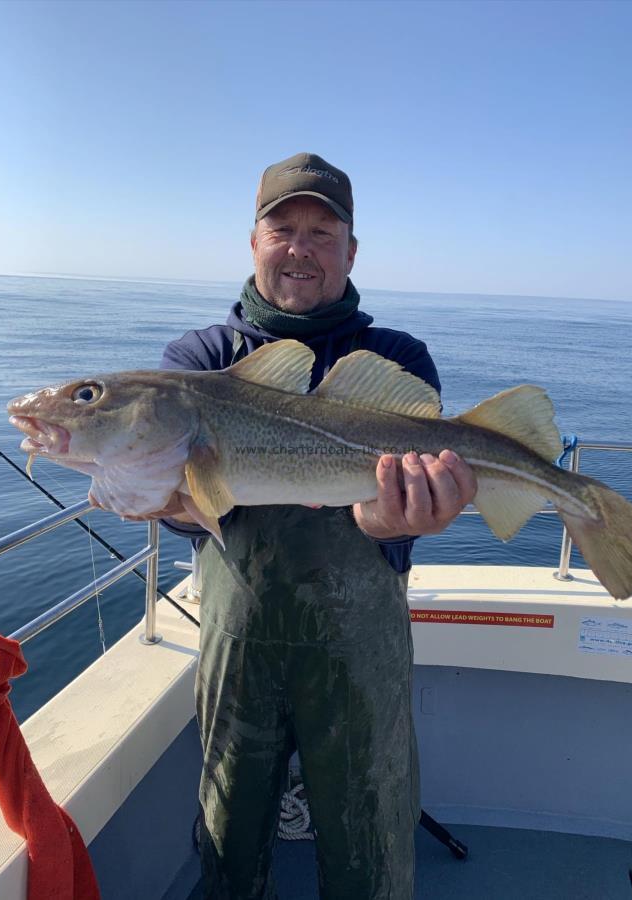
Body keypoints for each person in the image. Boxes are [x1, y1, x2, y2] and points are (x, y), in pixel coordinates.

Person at [158, 153, 477, 899]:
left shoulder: (395, 357)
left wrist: (397, 523)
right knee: (228, 825)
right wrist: (169, 503)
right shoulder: (200, 361)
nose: (299, 248)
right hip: (239, 639)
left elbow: (398, 521)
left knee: (368, 824)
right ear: (254, 242)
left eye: (321, 232)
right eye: (283, 228)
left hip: (360, 643)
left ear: (350, 252)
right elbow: (189, 515)